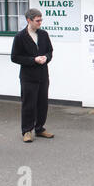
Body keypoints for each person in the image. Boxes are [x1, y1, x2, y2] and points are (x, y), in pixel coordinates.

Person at [11, 9, 54, 143]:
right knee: (28, 104)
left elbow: (50, 51)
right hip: (28, 76)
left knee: (42, 103)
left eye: (41, 20)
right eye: (37, 20)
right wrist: (33, 60)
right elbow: (15, 57)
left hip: (42, 74)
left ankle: (39, 128)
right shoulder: (20, 37)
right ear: (29, 20)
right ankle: (27, 131)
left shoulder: (43, 34)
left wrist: (46, 58)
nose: (40, 23)